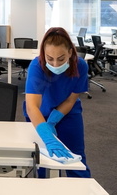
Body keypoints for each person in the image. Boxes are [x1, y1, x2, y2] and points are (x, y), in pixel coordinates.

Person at [24, 27, 91, 178]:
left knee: (76, 159)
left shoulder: (80, 66)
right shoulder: (37, 66)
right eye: (49, 58)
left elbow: (70, 99)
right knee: (42, 160)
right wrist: (47, 135)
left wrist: (53, 121)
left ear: (70, 53)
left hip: (68, 113)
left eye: (61, 59)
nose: (55, 64)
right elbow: (32, 106)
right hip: (39, 114)